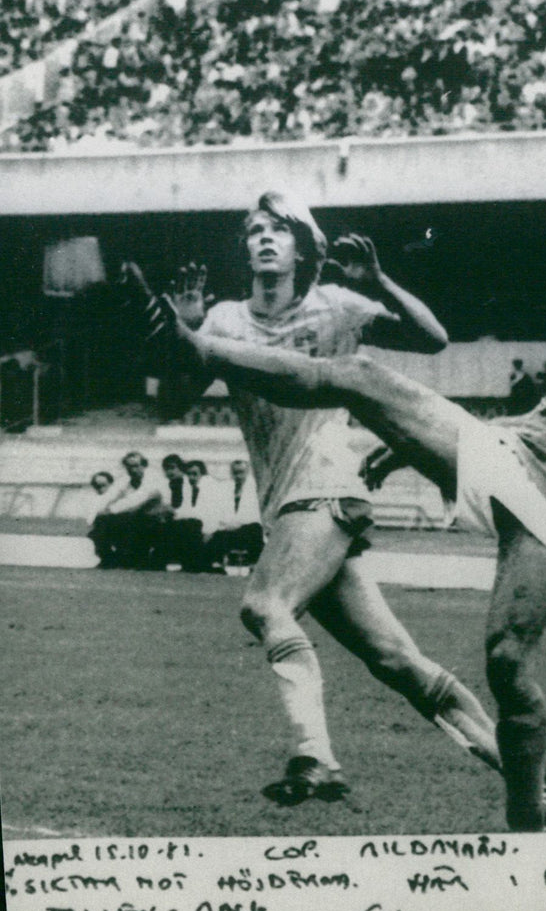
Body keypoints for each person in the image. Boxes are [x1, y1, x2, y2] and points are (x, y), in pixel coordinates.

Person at [123, 225, 546, 830]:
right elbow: (545, 422)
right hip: (505, 456)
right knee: (359, 376)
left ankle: (527, 818)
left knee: (508, 665)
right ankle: (196, 345)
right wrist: (407, 445)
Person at [131, 188, 500, 804]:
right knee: (396, 661)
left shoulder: (337, 308)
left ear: (303, 249)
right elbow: (170, 403)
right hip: (292, 509)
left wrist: (379, 281)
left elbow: (433, 338)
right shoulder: (223, 318)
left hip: (327, 488)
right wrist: (188, 330)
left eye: (278, 229)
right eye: (254, 230)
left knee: (263, 606)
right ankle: (518, 763)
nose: (264, 238)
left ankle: (316, 756)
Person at [89, 451, 164, 569]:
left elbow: (137, 503)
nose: (133, 470)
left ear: (144, 466)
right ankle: (108, 558)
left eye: (136, 466)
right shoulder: (125, 483)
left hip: (153, 522)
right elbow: (112, 499)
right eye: (129, 467)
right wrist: (104, 512)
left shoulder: (152, 481)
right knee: (101, 521)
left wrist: (112, 511)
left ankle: (128, 558)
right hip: (132, 519)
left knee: (125, 521)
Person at [205, 458, 263, 569]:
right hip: (228, 529)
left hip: (246, 528)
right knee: (217, 535)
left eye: (241, 472)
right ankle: (217, 564)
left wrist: (237, 524)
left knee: (255, 529)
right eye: (235, 473)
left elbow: (254, 514)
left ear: (247, 472)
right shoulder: (226, 489)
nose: (238, 476)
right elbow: (219, 512)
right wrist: (226, 525)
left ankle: (253, 564)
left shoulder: (254, 489)